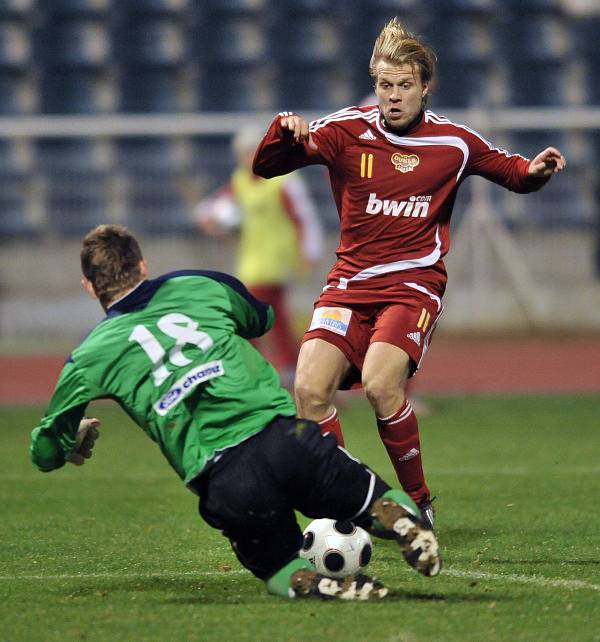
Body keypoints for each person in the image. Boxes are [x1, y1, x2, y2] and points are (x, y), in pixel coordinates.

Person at [253, 17, 566, 528]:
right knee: (309, 391)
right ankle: (345, 503)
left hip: (412, 285)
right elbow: (266, 166)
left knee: (380, 385)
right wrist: (283, 130)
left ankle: (418, 501)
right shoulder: (346, 130)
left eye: (403, 86)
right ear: (373, 84)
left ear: (425, 87)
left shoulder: (454, 142)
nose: (393, 96)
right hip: (349, 285)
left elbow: (511, 172)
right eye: (384, 85)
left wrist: (535, 172)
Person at [29, 224, 441, 601]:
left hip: (222, 477)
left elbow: (46, 452)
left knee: (279, 568)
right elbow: (260, 319)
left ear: (88, 286)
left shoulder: (88, 357)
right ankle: (404, 522)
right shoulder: (199, 285)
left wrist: (70, 439)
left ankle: (312, 581)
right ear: (142, 264)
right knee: (377, 500)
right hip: (283, 438)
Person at [195, 125, 324, 388]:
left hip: (276, 260)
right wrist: (208, 219)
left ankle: (250, 367)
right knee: (275, 315)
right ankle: (291, 367)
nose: (248, 158)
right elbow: (214, 207)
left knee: (249, 313)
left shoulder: (284, 180)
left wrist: (309, 250)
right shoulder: (241, 180)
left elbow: (304, 218)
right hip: (251, 260)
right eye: (244, 153)